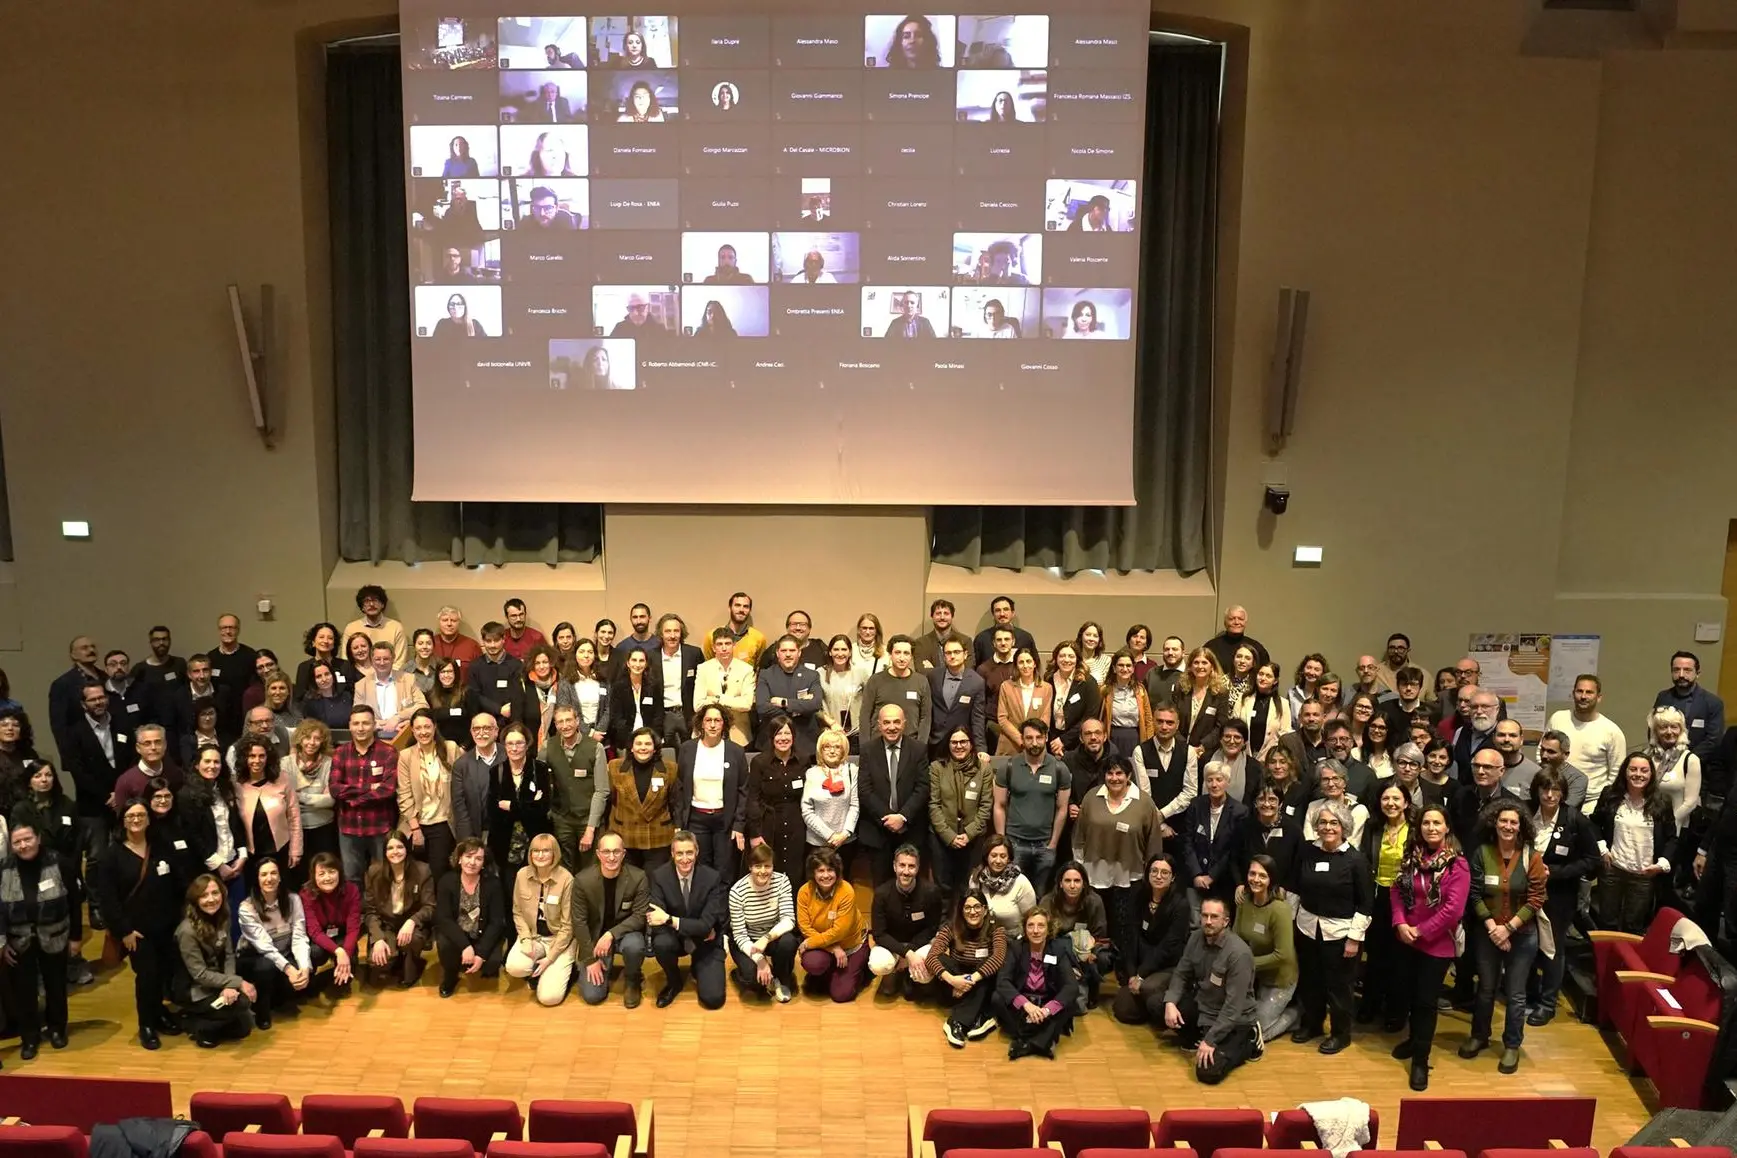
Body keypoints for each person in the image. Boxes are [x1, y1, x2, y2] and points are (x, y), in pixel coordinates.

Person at [1460, 798, 1548, 1074]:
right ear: (1494, 823)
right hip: (1487, 932)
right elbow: (1473, 893)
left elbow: (1536, 899)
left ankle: (1512, 1045)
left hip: (1522, 935)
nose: (1508, 826)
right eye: (1503, 821)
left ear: (1521, 826)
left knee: (1516, 992)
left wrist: (1507, 928)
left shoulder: (1532, 857)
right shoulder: (1481, 853)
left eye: (1513, 822)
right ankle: (1479, 1036)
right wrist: (1492, 927)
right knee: (1486, 988)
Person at [1389, 803, 1469, 1089]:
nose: (1431, 828)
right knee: (1409, 995)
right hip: (1407, 938)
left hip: (1436, 945)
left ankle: (1421, 1061)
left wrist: (1419, 931)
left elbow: (1452, 911)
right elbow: (1396, 889)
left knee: (1425, 1003)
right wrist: (1400, 923)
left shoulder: (1457, 865)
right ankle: (1413, 1040)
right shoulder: (1412, 857)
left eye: (1437, 823)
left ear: (1447, 827)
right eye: (1426, 823)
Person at [97, 797, 184, 1049]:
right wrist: (123, 930)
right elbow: (108, 899)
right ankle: (146, 1024)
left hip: (166, 927)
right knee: (147, 977)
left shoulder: (161, 847)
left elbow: (177, 883)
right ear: (122, 821)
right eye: (130, 816)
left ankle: (159, 1014)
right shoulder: (111, 856)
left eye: (141, 816)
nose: (136, 820)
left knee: (163, 974)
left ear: (148, 819)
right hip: (137, 932)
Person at [1290, 801, 1372, 1054]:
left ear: (1344, 826)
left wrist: (1354, 939)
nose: (1327, 827)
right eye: (1323, 822)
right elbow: (1295, 887)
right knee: (1311, 981)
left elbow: (1366, 904)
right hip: (1307, 928)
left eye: (1333, 823)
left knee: (1339, 987)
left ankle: (1340, 1033)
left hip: (1340, 933)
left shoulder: (1355, 860)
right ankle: (1312, 1025)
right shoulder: (1306, 851)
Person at [1, 816, 78, 1057]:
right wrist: (2, 943)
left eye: (28, 839)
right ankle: (29, 1037)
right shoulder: (3, 868)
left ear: (38, 838)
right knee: (24, 991)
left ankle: (57, 1029)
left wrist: (76, 937)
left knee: (56, 985)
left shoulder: (60, 862)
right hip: (18, 941)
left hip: (55, 935)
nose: (23, 845)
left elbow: (75, 902)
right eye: (17, 842)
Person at [1162, 896, 1260, 1083]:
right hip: (1205, 1006)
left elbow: (1233, 1008)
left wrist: (1210, 1040)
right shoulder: (1195, 937)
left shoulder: (1239, 954)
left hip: (1234, 1019)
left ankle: (1248, 1043)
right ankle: (1199, 1035)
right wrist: (1170, 1002)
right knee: (1160, 1006)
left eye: (1214, 917)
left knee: (1208, 1072)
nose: (1208, 921)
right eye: (1204, 915)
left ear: (1226, 921)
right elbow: (1181, 972)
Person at [1528, 766, 1597, 1026]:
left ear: (1563, 793)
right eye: (1544, 789)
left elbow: (1591, 860)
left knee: (1552, 948)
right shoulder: (1525, 812)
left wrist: (1555, 872)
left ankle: (1547, 1003)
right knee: (1527, 945)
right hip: (1525, 892)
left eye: (1555, 789)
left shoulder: (1575, 820)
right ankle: (1529, 992)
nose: (1549, 795)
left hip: (1559, 896)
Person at [1592, 751, 1678, 933]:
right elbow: (1593, 824)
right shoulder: (1610, 795)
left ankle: (1628, 961)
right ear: (1625, 771)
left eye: (1644, 770)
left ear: (1651, 775)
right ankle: (1606, 960)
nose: (1638, 774)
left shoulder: (1662, 801)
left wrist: (1661, 864)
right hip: (1612, 870)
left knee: (1634, 925)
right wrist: (1602, 848)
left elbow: (1672, 838)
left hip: (1644, 874)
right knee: (1607, 922)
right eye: (1633, 769)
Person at [648, 829, 728, 1009]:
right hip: (675, 939)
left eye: (689, 853)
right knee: (661, 942)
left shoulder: (712, 877)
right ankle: (674, 981)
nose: (685, 859)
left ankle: (698, 966)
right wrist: (693, 927)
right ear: (672, 854)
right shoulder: (659, 876)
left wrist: (670, 919)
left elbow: (707, 924)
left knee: (713, 1000)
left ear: (697, 852)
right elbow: (655, 921)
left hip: (706, 940)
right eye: (680, 853)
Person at [175, 874, 257, 1047]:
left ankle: (210, 1019)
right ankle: (195, 1023)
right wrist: (238, 982)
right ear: (195, 900)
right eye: (204, 895)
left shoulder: (223, 917)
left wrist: (229, 986)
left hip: (216, 980)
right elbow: (200, 975)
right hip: (193, 988)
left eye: (215, 893)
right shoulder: (186, 932)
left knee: (244, 1028)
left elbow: (228, 955)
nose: (211, 899)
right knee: (242, 1003)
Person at [572, 832, 650, 1006]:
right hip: (595, 939)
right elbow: (579, 922)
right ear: (598, 854)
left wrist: (610, 935)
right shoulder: (582, 881)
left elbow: (639, 916)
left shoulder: (638, 877)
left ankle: (632, 979)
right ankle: (588, 969)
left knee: (635, 945)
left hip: (625, 934)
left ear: (623, 854)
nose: (611, 857)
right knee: (593, 996)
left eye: (616, 851)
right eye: (606, 852)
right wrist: (590, 960)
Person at [1358, 781, 1412, 1030]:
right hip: (1378, 897)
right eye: (1386, 799)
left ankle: (1396, 1012)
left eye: (1396, 799)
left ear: (1406, 803)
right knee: (1376, 954)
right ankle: (1370, 1005)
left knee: (1400, 958)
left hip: (1405, 901)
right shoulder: (1373, 827)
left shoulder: (1414, 830)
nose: (1391, 803)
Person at [857, 704, 931, 885]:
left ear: (904, 723)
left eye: (897, 722)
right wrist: (888, 818)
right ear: (879, 725)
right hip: (878, 832)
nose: (892, 727)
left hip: (910, 831)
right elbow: (865, 790)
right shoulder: (868, 750)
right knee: (881, 888)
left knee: (911, 887)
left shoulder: (918, 749)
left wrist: (903, 817)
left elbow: (923, 787)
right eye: (887, 722)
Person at [236, 857, 311, 1029]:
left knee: (312, 955)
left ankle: (281, 995)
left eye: (273, 873)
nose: (269, 878)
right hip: (256, 958)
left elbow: (299, 936)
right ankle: (262, 1009)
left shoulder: (293, 899)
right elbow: (265, 947)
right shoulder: (246, 908)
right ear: (257, 879)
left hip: (283, 953)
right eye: (263, 875)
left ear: (280, 877)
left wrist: (304, 968)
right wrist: (290, 969)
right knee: (267, 966)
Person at [330, 705, 399, 886]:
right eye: (356, 723)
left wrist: (354, 797)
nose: (361, 728)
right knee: (351, 878)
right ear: (350, 726)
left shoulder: (388, 752)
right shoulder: (340, 753)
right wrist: (370, 787)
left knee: (383, 876)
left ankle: (379, 914)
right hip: (349, 827)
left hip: (380, 826)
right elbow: (335, 789)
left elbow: (388, 789)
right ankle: (357, 915)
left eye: (366, 723)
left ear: (374, 725)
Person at [503, 833, 576, 1006]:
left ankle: (563, 969)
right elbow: (517, 911)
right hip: (534, 937)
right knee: (514, 967)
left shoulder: (567, 879)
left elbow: (568, 926)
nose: (540, 855)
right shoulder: (522, 874)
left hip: (559, 941)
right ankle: (540, 969)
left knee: (549, 998)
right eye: (536, 851)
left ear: (554, 854)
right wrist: (526, 938)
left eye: (546, 851)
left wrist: (550, 957)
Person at [994, 907, 1075, 1060]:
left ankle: (1025, 1043)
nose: (1035, 931)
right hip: (1024, 1001)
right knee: (997, 997)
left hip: (1046, 1001)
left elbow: (1071, 986)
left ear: (1049, 929)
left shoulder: (1058, 949)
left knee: (1068, 1002)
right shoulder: (1016, 948)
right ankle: (1043, 1041)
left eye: (1041, 925)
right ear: (1025, 929)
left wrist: (1046, 1010)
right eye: (1030, 925)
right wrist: (1026, 1005)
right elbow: (1003, 981)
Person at [930, 889, 1006, 1046]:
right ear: (961, 911)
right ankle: (981, 1015)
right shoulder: (952, 927)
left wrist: (970, 981)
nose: (973, 912)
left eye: (977, 907)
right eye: (968, 908)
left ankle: (957, 1023)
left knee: (988, 968)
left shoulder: (996, 928)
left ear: (985, 910)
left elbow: (998, 958)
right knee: (941, 958)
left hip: (980, 979)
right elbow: (931, 957)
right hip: (956, 982)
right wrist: (953, 980)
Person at [1235, 854, 1299, 1041]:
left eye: (1262, 876)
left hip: (1280, 978)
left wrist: (1247, 963)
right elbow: (1235, 937)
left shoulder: (1280, 909)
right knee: (1237, 1023)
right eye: (1252, 873)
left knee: (1256, 1032)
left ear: (1271, 879)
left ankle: (1296, 1015)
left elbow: (1284, 955)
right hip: (1255, 976)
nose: (1256, 879)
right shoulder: (1244, 900)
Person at [434, 838, 507, 997]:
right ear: (459, 858)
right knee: (444, 945)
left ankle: (477, 963)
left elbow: (496, 922)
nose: (472, 862)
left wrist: (480, 953)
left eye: (478, 858)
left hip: (481, 934)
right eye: (468, 856)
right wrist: (465, 946)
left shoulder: (493, 884)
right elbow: (444, 918)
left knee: (492, 963)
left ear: (483, 862)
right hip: (457, 935)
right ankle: (451, 975)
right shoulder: (446, 881)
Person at [867, 843, 941, 997]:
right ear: (894, 866)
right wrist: (906, 953)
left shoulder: (931, 892)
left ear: (918, 868)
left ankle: (910, 976)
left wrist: (910, 954)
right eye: (902, 865)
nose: (906, 871)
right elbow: (879, 934)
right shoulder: (882, 894)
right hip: (892, 944)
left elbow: (931, 928)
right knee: (878, 964)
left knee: (927, 969)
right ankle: (892, 974)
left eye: (911, 866)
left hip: (918, 944)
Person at [795, 846, 868, 1002]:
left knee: (841, 995)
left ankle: (860, 971)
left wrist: (811, 943)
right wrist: (833, 948)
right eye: (820, 871)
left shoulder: (846, 891)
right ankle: (829, 972)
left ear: (837, 871)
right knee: (812, 962)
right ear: (813, 873)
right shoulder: (804, 892)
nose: (826, 875)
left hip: (851, 945)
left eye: (830, 870)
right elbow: (804, 927)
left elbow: (839, 931)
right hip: (829, 946)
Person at [727, 842, 798, 1002]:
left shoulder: (782, 882)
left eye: (768, 866)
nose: (763, 871)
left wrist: (766, 938)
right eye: (758, 866)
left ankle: (782, 979)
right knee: (752, 981)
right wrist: (761, 960)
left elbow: (789, 920)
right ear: (750, 867)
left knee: (789, 941)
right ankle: (748, 975)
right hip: (747, 941)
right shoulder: (737, 892)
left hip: (771, 937)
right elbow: (739, 935)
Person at [362, 830, 434, 987]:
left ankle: (412, 960)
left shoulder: (422, 871)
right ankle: (395, 955)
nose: (395, 852)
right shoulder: (374, 872)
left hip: (411, 927)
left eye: (400, 847)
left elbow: (430, 906)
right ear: (384, 852)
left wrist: (412, 921)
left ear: (407, 848)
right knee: (379, 965)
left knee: (408, 969)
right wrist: (378, 939)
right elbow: (370, 911)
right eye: (390, 848)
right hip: (386, 924)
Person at [929, 727, 994, 897]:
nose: (959, 746)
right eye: (954, 742)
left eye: (963, 741)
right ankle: (943, 921)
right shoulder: (937, 767)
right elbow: (934, 805)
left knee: (969, 886)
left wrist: (968, 834)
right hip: (942, 838)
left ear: (971, 744)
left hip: (973, 838)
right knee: (942, 886)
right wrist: (950, 837)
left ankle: (964, 922)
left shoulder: (983, 769)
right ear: (948, 744)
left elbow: (985, 806)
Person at [746, 717, 809, 886]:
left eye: (787, 733)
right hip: (769, 825)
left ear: (794, 736)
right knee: (772, 870)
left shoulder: (804, 760)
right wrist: (755, 833)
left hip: (797, 825)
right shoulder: (759, 762)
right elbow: (753, 799)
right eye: (778, 733)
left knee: (796, 872)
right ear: (771, 737)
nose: (783, 738)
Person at [1041, 861, 1112, 1011]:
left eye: (1077, 881)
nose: (1072, 886)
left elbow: (1100, 936)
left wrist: (1091, 954)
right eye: (1067, 881)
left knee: (1104, 958)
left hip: (1085, 952)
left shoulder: (1094, 901)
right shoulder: (1048, 902)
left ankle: (1091, 986)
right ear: (1060, 883)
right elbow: (1042, 938)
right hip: (1057, 952)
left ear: (1084, 883)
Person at [1180, 764, 1248, 914]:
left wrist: (1212, 875)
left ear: (1227, 782)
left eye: (1219, 779)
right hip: (1195, 878)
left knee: (1218, 922)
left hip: (1222, 881)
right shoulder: (1196, 805)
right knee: (1195, 924)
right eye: (1209, 780)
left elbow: (1233, 851)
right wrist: (1197, 874)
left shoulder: (1239, 811)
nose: (1214, 784)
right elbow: (1187, 842)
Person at [236, 737, 302, 878]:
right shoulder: (236, 784)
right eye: (252, 756)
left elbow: (294, 817)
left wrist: (295, 849)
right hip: (250, 853)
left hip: (280, 849)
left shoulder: (283, 778)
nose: (257, 760)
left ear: (268, 757)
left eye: (262, 756)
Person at [300, 851, 360, 993]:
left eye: (331, 872)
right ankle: (310, 980)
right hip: (318, 940)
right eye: (321, 874)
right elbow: (314, 931)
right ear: (314, 876)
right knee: (314, 952)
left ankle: (339, 973)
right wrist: (339, 952)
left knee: (350, 962)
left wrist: (346, 952)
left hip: (341, 935)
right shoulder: (306, 894)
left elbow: (353, 928)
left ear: (339, 872)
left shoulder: (351, 890)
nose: (327, 878)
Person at [757, 635, 823, 756]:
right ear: (777, 653)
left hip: (805, 744)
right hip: (773, 742)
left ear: (799, 652)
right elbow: (762, 707)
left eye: (792, 650)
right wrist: (800, 708)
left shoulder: (812, 675)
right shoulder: (765, 675)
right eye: (784, 651)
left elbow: (815, 704)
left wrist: (785, 703)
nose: (788, 654)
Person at [1654, 651, 1725, 761]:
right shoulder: (1663, 697)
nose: (1681, 675)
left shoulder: (1712, 702)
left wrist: (1685, 760)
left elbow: (1713, 740)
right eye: (1676, 670)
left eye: (1687, 670)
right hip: (1664, 760)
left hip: (1699, 764)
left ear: (1697, 673)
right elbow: (1654, 728)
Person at [801, 726, 858, 855]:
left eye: (837, 747)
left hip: (846, 842)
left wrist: (844, 834)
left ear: (844, 750)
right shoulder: (812, 773)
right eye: (827, 747)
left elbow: (854, 805)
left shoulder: (852, 771)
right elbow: (807, 810)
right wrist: (830, 835)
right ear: (821, 750)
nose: (832, 751)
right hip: (817, 843)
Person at [695, 628, 756, 747]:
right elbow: (698, 705)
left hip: (738, 735)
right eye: (719, 644)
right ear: (713, 647)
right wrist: (734, 701)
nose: (724, 648)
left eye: (728, 644)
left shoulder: (746, 670)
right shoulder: (703, 669)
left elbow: (746, 704)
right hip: (708, 735)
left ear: (734, 645)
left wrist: (717, 699)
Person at [970, 834, 1036, 935]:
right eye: (994, 855)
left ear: (1009, 858)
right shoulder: (976, 879)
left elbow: (1031, 919)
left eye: (1003, 856)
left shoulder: (1021, 882)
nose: (998, 861)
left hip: (1012, 940)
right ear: (986, 857)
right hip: (981, 938)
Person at [994, 648, 1052, 756]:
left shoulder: (1046, 688)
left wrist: (1031, 739)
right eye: (1021, 662)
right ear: (1016, 665)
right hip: (1010, 745)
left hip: (1035, 745)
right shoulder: (1006, 686)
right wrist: (1022, 740)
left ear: (1035, 664)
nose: (1025, 666)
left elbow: (1045, 718)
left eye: (1028, 661)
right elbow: (1002, 718)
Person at [1098, 651, 1154, 758]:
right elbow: (1098, 718)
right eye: (1120, 665)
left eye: (1128, 665)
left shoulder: (1140, 690)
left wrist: (1150, 744)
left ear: (1133, 669)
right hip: (1113, 737)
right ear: (1114, 668)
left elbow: (1148, 720)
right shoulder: (1104, 690)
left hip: (1135, 738)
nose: (1125, 669)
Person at [342, 585, 409, 670]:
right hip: (357, 678)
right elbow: (346, 659)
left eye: (375, 600)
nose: (371, 604)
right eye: (367, 601)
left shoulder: (396, 627)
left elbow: (400, 661)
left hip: (389, 678)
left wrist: (383, 678)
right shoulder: (351, 628)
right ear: (362, 607)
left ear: (382, 604)